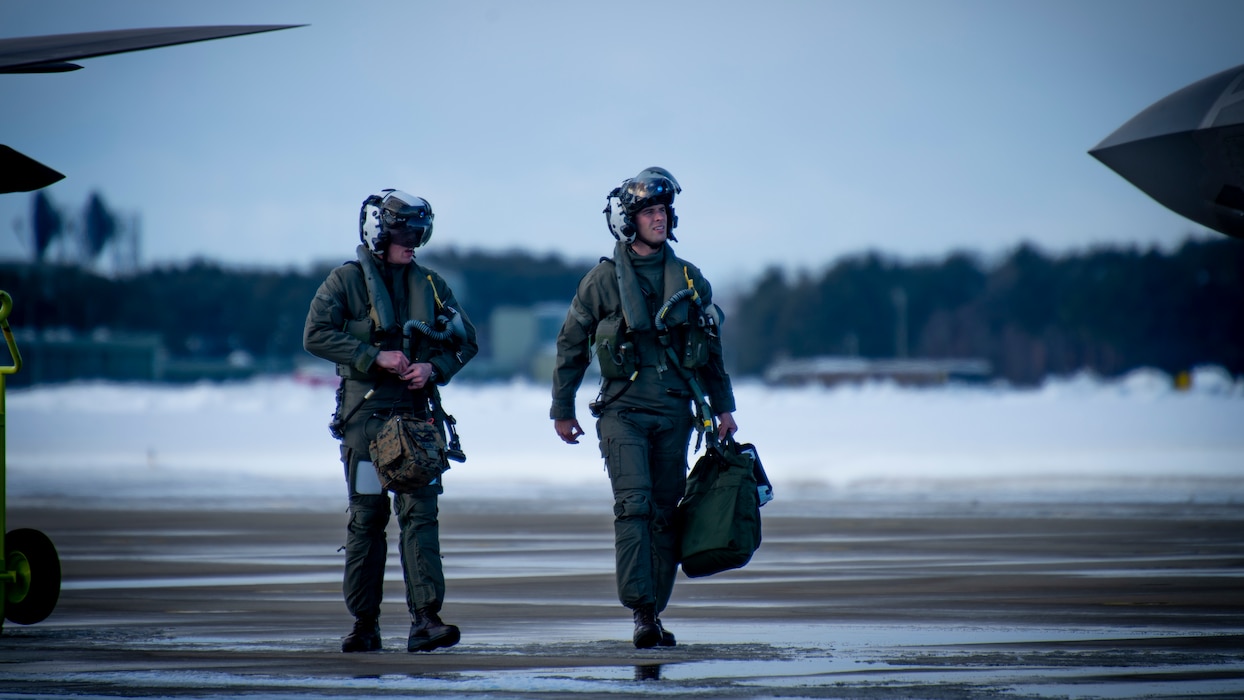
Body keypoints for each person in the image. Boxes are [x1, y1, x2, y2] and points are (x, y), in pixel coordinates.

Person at [551, 167, 739, 648]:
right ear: (628, 221)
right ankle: (640, 611)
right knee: (633, 506)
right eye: (649, 212)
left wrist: (724, 408)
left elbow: (711, 350)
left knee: (664, 512)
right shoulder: (601, 282)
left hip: (676, 412)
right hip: (623, 413)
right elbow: (571, 345)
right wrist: (562, 408)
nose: (658, 219)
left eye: (663, 211)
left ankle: (654, 611)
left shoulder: (691, 280)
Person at [304, 189, 478, 653]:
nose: (413, 243)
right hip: (366, 425)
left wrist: (433, 368)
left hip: (417, 423)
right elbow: (315, 335)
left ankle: (426, 620)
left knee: (421, 516)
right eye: (404, 234)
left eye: (418, 234)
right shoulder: (344, 283)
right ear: (379, 232)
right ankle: (365, 625)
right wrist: (370, 356)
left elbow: (465, 341)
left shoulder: (433, 285)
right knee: (367, 518)